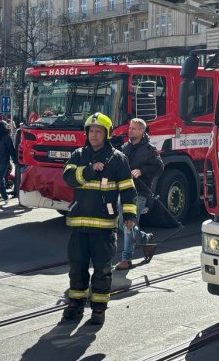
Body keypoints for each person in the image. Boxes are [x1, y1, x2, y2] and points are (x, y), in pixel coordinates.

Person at [61, 112, 137, 325]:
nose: (94, 135)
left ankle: (98, 309)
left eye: (98, 131)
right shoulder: (77, 155)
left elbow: (128, 190)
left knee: (102, 270)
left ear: (107, 134)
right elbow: (68, 178)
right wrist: (88, 171)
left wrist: (130, 215)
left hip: (104, 227)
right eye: (91, 131)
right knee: (77, 267)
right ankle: (75, 305)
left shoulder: (117, 159)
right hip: (78, 224)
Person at [116, 118, 163, 270]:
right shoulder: (124, 148)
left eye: (133, 128)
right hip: (124, 191)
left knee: (129, 224)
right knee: (123, 224)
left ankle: (126, 259)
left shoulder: (149, 149)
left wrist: (142, 171)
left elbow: (159, 167)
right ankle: (145, 237)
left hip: (140, 192)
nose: (129, 130)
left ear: (142, 131)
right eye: (129, 128)